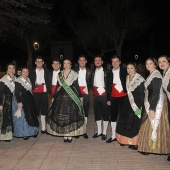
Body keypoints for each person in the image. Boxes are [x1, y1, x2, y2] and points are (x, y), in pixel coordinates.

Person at [46, 59, 86, 143]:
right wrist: (54, 96)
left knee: (71, 115)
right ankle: (65, 134)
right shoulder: (59, 74)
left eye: (68, 63)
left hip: (71, 96)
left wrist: (80, 96)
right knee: (62, 115)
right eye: (65, 63)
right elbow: (57, 85)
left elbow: (77, 85)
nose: (66, 65)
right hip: (61, 97)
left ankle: (70, 134)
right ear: (63, 65)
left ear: (70, 65)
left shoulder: (74, 74)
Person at [138, 57, 170, 155]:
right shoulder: (154, 74)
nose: (148, 65)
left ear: (154, 65)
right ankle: (150, 147)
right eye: (147, 64)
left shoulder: (156, 75)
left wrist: (152, 109)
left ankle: (154, 148)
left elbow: (156, 93)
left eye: (150, 63)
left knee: (154, 125)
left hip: (156, 103)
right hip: (153, 102)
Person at [116, 63, 145, 149]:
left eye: (131, 68)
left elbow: (141, 94)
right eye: (128, 68)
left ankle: (135, 143)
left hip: (136, 103)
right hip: (127, 102)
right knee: (124, 120)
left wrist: (141, 107)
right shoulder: (127, 77)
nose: (129, 70)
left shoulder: (139, 79)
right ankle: (125, 140)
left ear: (135, 69)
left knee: (135, 121)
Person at [13, 67, 39, 140]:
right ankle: (25, 133)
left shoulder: (28, 79)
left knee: (32, 115)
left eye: (26, 72)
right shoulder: (18, 80)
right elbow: (17, 93)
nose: (25, 73)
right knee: (25, 117)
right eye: (23, 71)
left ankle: (33, 132)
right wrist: (19, 102)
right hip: (23, 99)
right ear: (21, 72)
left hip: (29, 99)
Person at [106, 55, 127, 143]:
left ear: (120, 62)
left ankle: (122, 136)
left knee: (123, 117)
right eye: (113, 62)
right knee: (113, 117)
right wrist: (108, 99)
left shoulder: (124, 71)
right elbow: (107, 86)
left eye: (116, 61)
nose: (115, 63)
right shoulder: (109, 72)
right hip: (113, 98)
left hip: (124, 97)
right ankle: (113, 136)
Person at [29, 56, 51, 134]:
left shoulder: (47, 71)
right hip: (35, 93)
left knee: (44, 111)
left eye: (40, 61)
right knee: (36, 111)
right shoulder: (31, 71)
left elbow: (49, 81)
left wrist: (50, 91)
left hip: (44, 92)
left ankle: (43, 129)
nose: (39, 63)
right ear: (35, 62)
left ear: (43, 62)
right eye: (37, 61)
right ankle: (36, 129)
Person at [74, 55, 92, 139]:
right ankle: (77, 131)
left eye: (83, 60)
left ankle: (84, 130)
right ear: (78, 61)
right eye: (80, 60)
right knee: (77, 112)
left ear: (86, 61)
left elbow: (91, 83)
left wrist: (87, 88)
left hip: (86, 93)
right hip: (76, 93)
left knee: (85, 112)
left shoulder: (90, 71)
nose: (82, 62)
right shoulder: (74, 71)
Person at [92, 56, 109, 140]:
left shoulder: (107, 72)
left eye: (99, 60)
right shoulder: (92, 72)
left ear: (102, 62)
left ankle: (104, 132)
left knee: (105, 114)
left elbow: (109, 85)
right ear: (94, 62)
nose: (97, 62)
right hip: (95, 95)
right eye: (96, 60)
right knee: (97, 114)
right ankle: (99, 131)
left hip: (104, 95)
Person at [158, 55, 170, 161]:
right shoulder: (165, 73)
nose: (162, 63)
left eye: (164, 61)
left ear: (168, 62)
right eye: (160, 62)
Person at [0, 63, 16, 141]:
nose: (11, 70)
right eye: (10, 68)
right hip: (5, 100)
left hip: (11, 100)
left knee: (10, 117)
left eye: (13, 68)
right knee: (5, 118)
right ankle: (4, 136)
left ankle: (9, 133)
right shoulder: (4, 79)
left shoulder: (15, 78)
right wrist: (0, 104)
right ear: (7, 70)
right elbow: (0, 92)